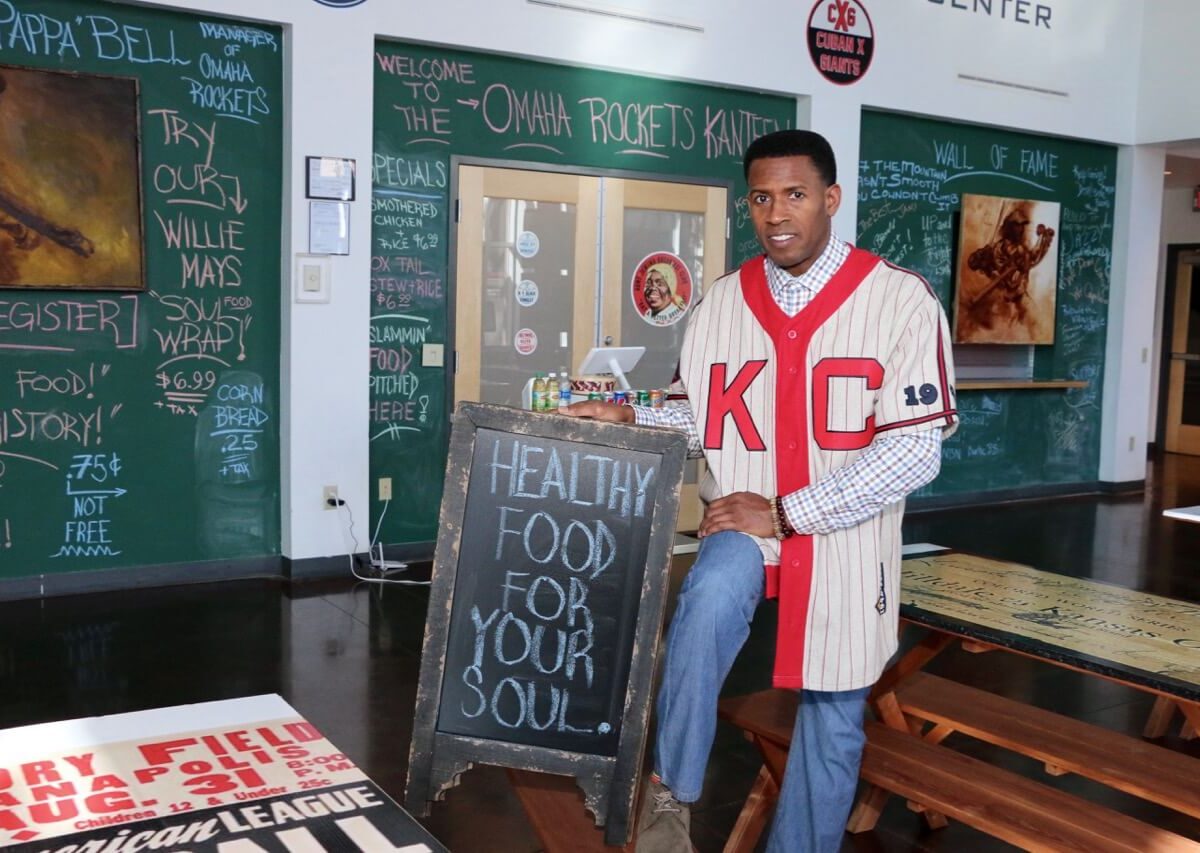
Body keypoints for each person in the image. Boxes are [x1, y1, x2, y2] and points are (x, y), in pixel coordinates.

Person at [562, 129, 958, 852]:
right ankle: (670, 797)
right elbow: (701, 415)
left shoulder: (901, 299)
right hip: (746, 520)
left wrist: (786, 512)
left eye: (795, 195)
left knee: (833, 712)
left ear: (831, 199)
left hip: (844, 532)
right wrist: (633, 415)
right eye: (761, 198)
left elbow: (913, 452)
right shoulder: (721, 302)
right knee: (706, 604)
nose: (777, 214)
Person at [964, 201, 1055, 329]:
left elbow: (1030, 259)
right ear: (1010, 228)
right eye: (1017, 226)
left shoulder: (1010, 248)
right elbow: (1019, 272)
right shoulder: (1002, 250)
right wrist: (1042, 241)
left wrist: (1044, 240)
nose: (1021, 229)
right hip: (1011, 300)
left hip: (1016, 298)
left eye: (1022, 226)